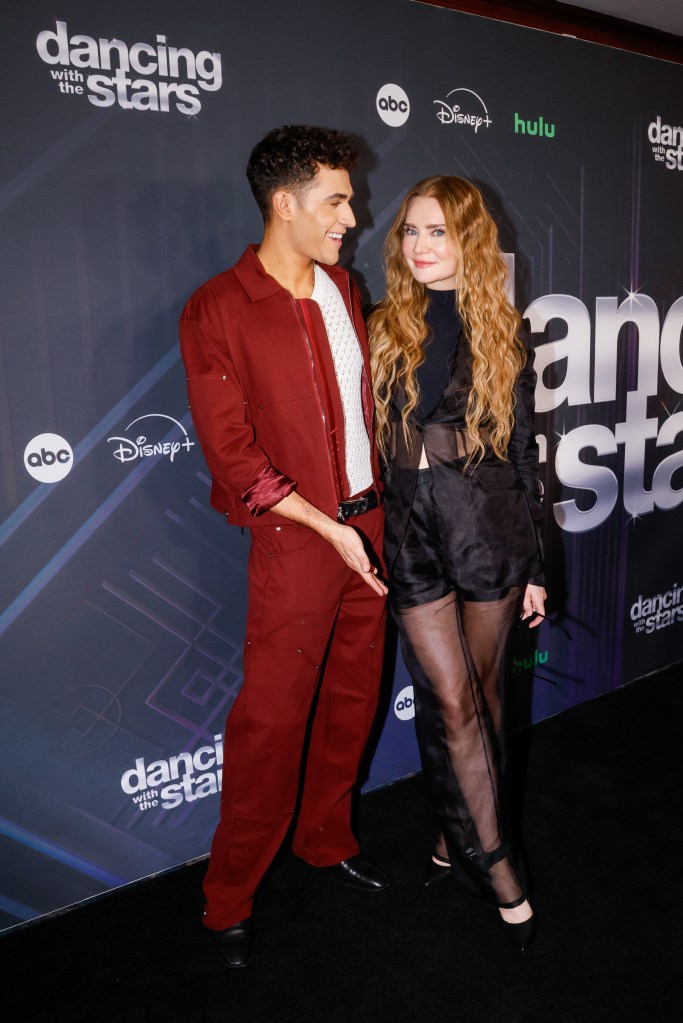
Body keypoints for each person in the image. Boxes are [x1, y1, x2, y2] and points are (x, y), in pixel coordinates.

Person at [180, 125, 389, 969]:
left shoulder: (345, 289)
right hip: (299, 542)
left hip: (370, 528)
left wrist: (374, 520)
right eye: (336, 199)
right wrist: (325, 525)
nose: (352, 213)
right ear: (285, 201)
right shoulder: (219, 306)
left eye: (348, 197)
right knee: (269, 725)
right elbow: (230, 453)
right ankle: (226, 900)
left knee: (352, 700)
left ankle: (324, 840)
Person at [368, 176, 546, 952]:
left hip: (488, 531)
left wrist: (535, 564)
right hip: (410, 536)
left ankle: (454, 832)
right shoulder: (380, 326)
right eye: (410, 231)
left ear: (467, 238)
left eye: (436, 231)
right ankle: (497, 860)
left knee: (487, 703)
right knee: (451, 702)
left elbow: (522, 452)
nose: (419, 245)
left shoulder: (502, 327)